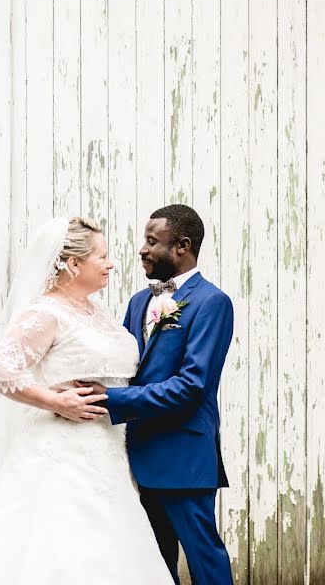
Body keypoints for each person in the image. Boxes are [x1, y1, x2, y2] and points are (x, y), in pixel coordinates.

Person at [0, 216, 173, 585]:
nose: (111, 263)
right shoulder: (46, 312)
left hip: (107, 452)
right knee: (60, 549)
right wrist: (55, 401)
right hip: (60, 456)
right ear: (73, 264)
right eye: (101, 257)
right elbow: (0, 369)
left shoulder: (95, 311)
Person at [90, 204, 235, 584]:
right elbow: (124, 367)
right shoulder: (139, 301)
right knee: (153, 565)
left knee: (204, 558)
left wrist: (111, 400)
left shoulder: (211, 303)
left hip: (184, 456)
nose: (142, 249)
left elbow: (192, 386)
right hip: (139, 454)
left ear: (182, 246)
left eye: (152, 242)